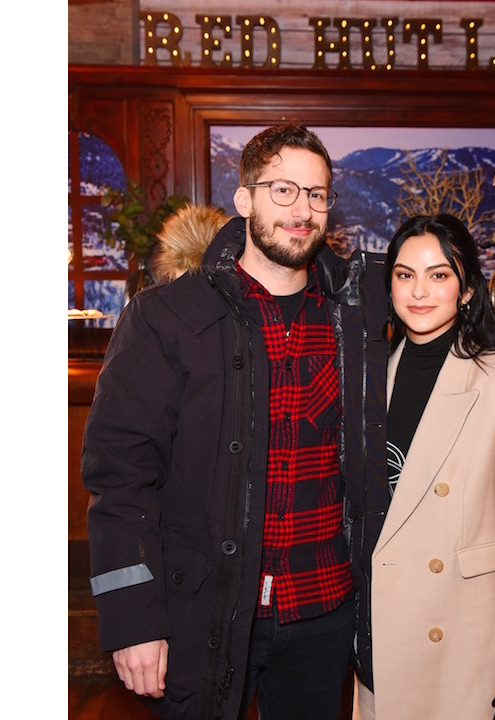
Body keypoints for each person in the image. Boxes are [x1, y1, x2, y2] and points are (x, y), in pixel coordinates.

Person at [81, 123, 388, 720]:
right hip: (206, 607)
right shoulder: (165, 318)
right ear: (244, 199)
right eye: (284, 191)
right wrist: (133, 620)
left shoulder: (359, 314)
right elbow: (119, 479)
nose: (303, 210)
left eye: (318, 194)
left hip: (325, 613)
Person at [351, 214, 495, 720]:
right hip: (381, 631)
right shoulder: (369, 373)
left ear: (466, 290)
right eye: (405, 275)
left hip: (466, 639)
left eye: (439, 275)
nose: (420, 291)